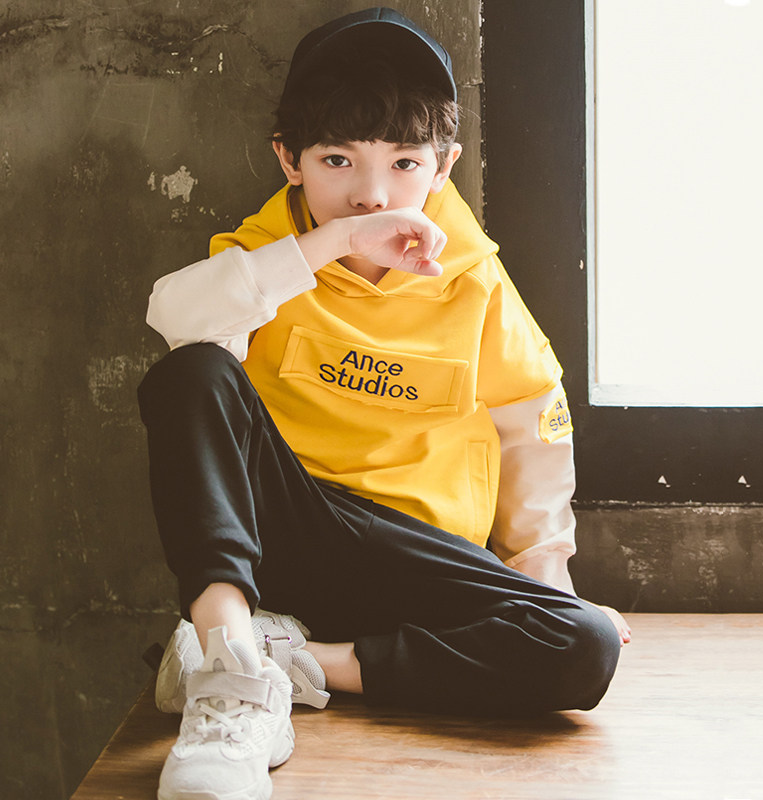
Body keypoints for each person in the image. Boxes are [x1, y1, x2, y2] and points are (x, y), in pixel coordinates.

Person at [137, 8, 630, 800]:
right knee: (194, 373)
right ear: (289, 159)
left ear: (443, 168)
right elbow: (174, 319)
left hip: (413, 556)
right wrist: (330, 246)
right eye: (338, 159)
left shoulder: (475, 281)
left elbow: (531, 427)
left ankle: (288, 664)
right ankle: (227, 661)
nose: (371, 194)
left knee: (585, 643)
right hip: (288, 533)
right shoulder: (261, 261)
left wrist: (545, 574)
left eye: (404, 163)